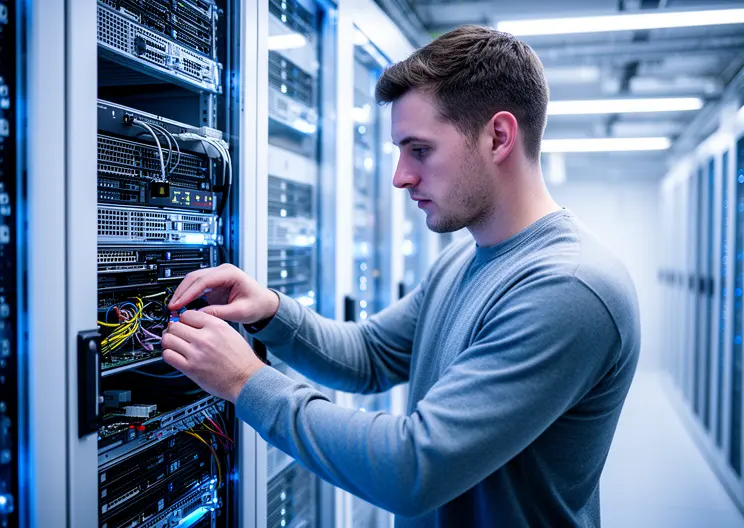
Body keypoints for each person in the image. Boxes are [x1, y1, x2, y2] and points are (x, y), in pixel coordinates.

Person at [161, 25, 640, 527]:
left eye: (420, 149)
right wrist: (272, 313)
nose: (400, 176)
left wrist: (246, 381)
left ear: (499, 136)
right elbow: (370, 355)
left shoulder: (568, 288)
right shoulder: (463, 258)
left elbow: (412, 469)